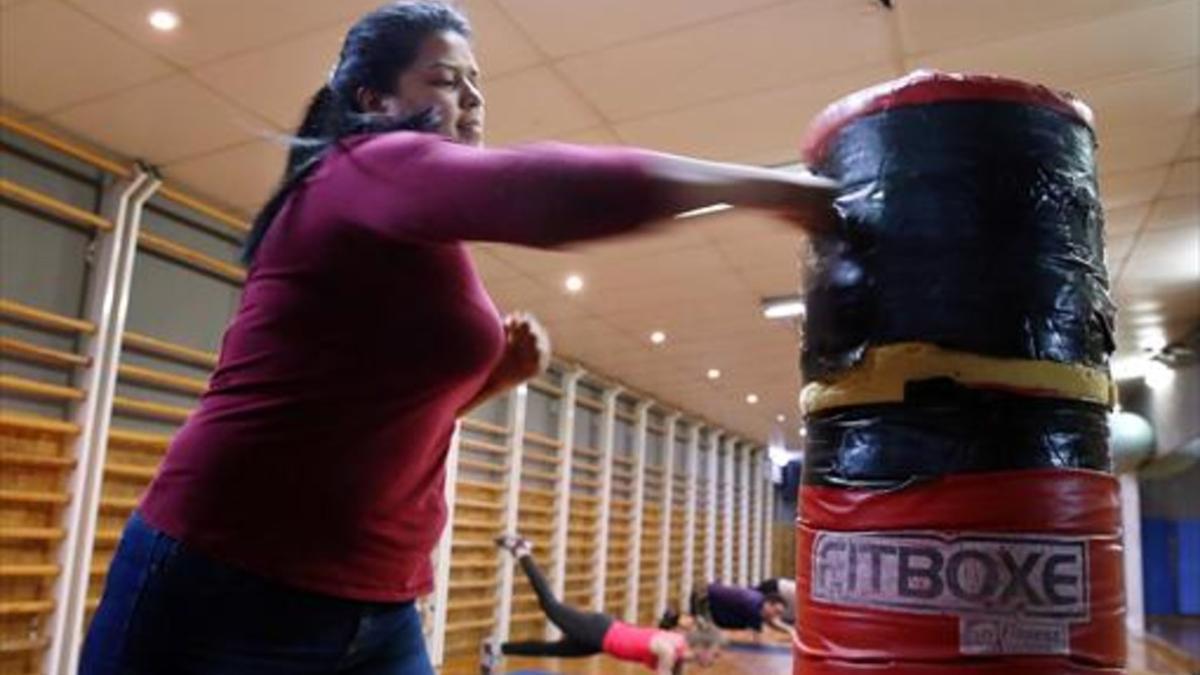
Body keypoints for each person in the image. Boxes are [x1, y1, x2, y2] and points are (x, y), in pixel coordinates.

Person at [80, 2, 835, 673]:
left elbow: (373, 420)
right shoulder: (360, 167)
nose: (472, 97)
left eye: (477, 82)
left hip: (379, 601)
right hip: (229, 580)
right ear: (373, 100)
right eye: (446, 79)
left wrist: (496, 379)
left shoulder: (418, 238)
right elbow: (544, 192)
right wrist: (765, 189)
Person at [483, 535, 725, 674]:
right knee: (550, 605)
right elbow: (662, 647)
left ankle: (497, 649)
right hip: (600, 631)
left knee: (553, 650)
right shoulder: (674, 649)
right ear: (702, 647)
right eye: (713, 655)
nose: (713, 662)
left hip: (601, 640)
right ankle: (521, 550)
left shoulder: (681, 656)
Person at [690, 582, 792, 637]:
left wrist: (790, 630)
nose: (776, 616)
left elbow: (770, 621)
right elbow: (760, 632)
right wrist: (789, 631)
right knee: (708, 633)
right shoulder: (753, 607)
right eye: (776, 612)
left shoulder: (760, 598)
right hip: (703, 596)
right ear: (769, 604)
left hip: (706, 592)